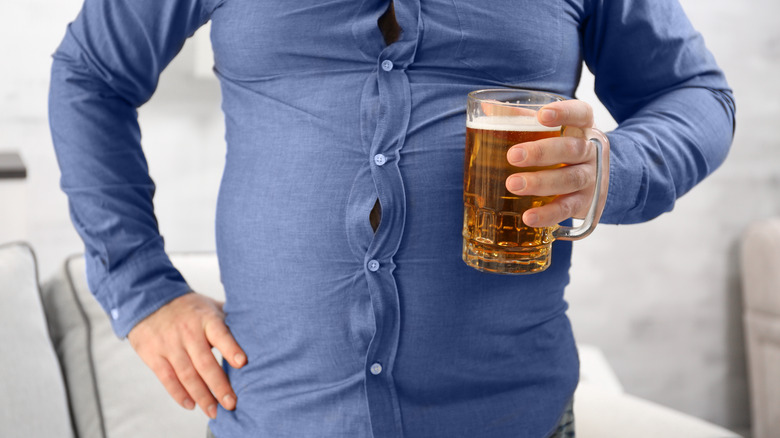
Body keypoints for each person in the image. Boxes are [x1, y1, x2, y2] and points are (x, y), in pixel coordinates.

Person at [48, 0, 735, 437]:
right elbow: (90, 72)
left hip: (511, 418)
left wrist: (610, 169)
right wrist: (141, 289)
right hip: (275, 421)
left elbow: (696, 96)